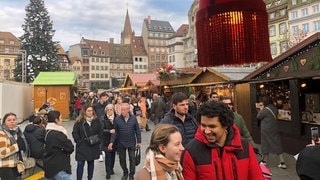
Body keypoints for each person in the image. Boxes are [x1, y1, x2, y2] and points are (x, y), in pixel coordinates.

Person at [181, 101, 263, 179]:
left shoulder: (244, 146)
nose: (206, 131)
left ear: (225, 125)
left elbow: (256, 177)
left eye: (212, 126)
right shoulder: (191, 152)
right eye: (203, 125)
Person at [108, 103, 142, 180]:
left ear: (128, 110)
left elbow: (137, 130)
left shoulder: (133, 118)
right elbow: (115, 132)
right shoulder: (117, 119)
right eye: (121, 109)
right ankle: (125, 172)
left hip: (131, 142)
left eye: (124, 109)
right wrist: (111, 142)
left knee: (132, 159)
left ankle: (131, 174)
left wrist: (139, 141)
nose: (122, 111)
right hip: (121, 143)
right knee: (122, 159)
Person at [72, 104, 102, 180]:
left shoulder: (96, 121)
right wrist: (78, 141)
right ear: (84, 112)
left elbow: (100, 132)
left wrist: (97, 140)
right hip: (82, 146)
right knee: (80, 164)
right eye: (88, 111)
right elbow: (75, 133)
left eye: (92, 110)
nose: (90, 112)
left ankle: (90, 178)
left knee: (91, 164)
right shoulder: (79, 122)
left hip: (93, 145)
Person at [257, 96, 286, 168]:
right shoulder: (274, 108)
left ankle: (264, 161)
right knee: (277, 143)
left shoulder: (265, 109)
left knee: (265, 143)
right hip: (274, 129)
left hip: (266, 129)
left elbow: (258, 116)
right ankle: (282, 162)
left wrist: (260, 109)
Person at [44, 110, 74, 180]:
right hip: (60, 167)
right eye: (61, 118)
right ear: (56, 120)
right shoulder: (58, 134)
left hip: (49, 166)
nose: (62, 119)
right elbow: (70, 147)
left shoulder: (46, 132)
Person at [0, 112, 28, 180]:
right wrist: (17, 146)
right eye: (9, 120)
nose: (12, 122)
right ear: (4, 122)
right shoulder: (2, 134)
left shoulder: (17, 133)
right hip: (6, 167)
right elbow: (2, 153)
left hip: (16, 165)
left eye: (14, 119)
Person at [101, 104, 117, 179]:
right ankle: (108, 172)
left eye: (111, 109)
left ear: (113, 110)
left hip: (115, 141)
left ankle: (111, 168)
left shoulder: (117, 118)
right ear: (106, 111)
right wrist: (109, 131)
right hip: (106, 140)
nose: (109, 111)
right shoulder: (102, 118)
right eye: (108, 110)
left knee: (113, 155)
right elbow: (101, 130)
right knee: (108, 155)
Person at [94, 91, 109, 162]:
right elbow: (94, 115)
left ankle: (103, 150)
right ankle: (100, 153)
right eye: (105, 97)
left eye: (106, 97)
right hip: (98, 124)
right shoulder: (96, 105)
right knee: (99, 139)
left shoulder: (108, 105)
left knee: (105, 139)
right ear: (101, 97)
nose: (106, 99)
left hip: (106, 124)